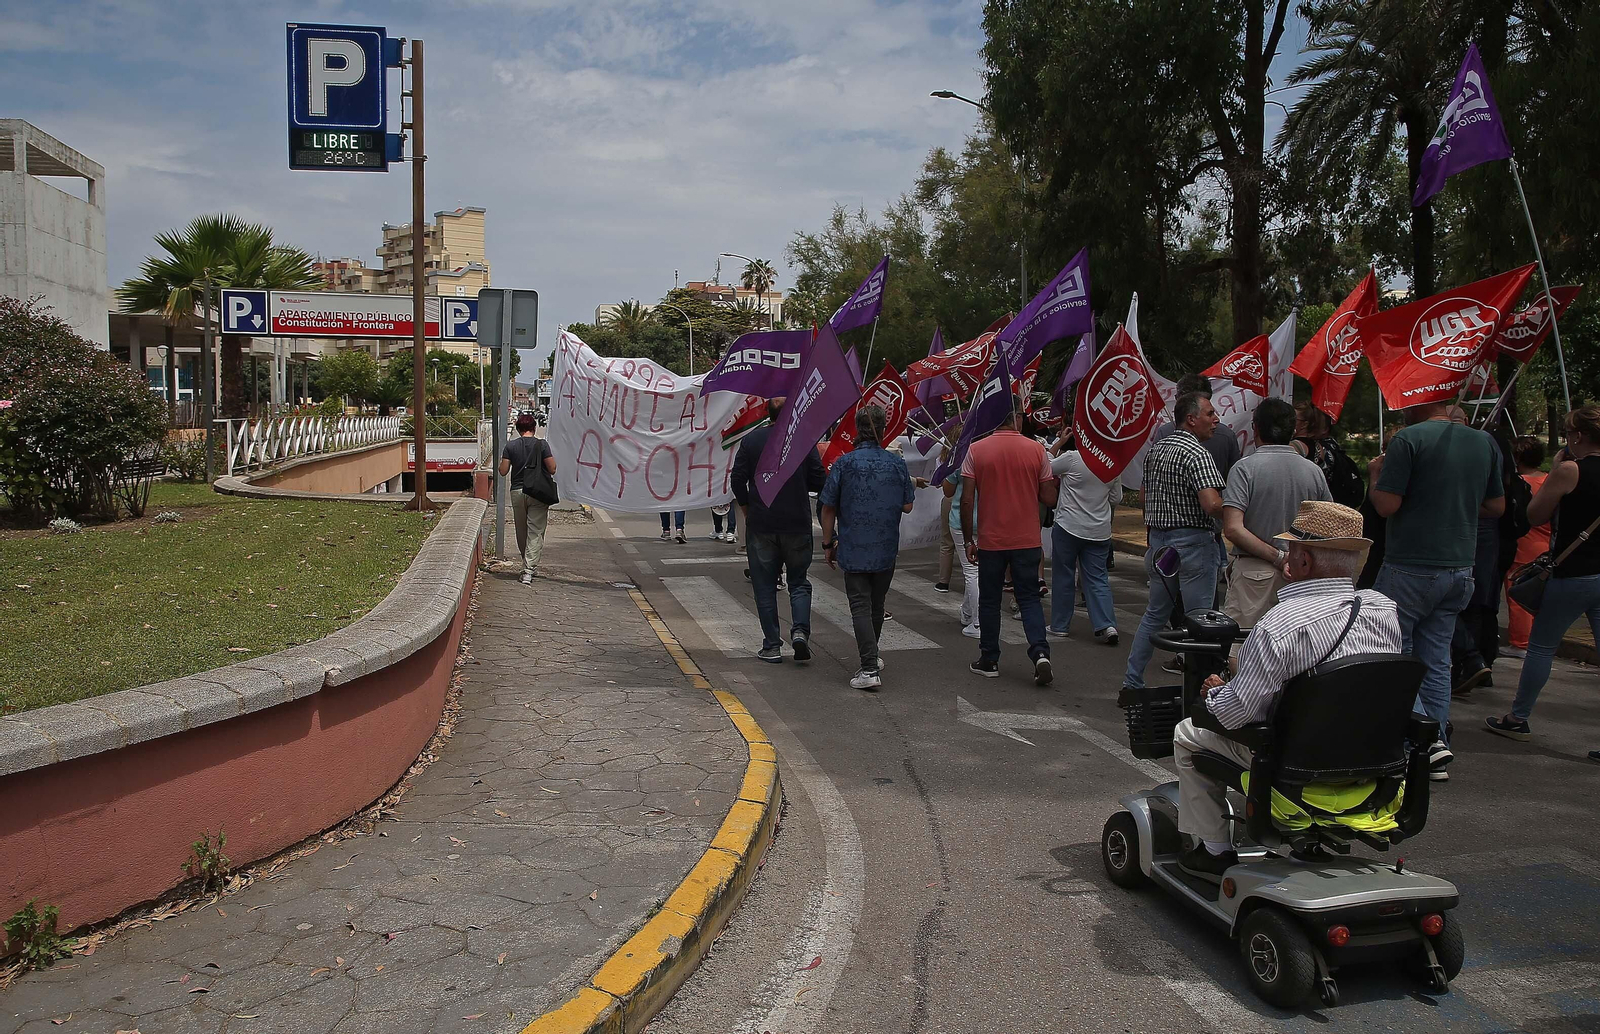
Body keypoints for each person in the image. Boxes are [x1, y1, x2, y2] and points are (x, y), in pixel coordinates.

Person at [1172, 501, 1402, 880]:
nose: (1286, 556)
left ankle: (1213, 850)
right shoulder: (1384, 610)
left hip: (1293, 760)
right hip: (1367, 758)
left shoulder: (1280, 624)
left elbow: (1237, 713)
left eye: (1291, 549)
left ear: (1305, 561)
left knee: (1188, 732)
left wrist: (1214, 693)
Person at [1369, 400, 1505, 781]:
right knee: (1437, 658)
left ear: (1422, 402)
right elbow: (1496, 505)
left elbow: (1385, 505)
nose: (1400, 408)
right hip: (1460, 566)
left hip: (1410, 564)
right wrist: (1453, 504)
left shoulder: (1408, 440)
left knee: (1390, 652)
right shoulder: (1482, 442)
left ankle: (1422, 739)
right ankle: (1433, 740)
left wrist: (1375, 474)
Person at [1487, 406, 1600, 742]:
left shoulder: (1569, 471)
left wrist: (1554, 472)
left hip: (1572, 572)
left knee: (1541, 647)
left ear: (1578, 436)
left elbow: (1535, 515)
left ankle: (1518, 716)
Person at [1124, 392, 1227, 691]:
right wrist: (1235, 505)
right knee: (1199, 622)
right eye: (1210, 413)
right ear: (1191, 419)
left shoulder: (1158, 450)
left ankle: (1131, 682)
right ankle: (1197, 691)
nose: (1216, 419)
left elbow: (1145, 497)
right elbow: (1210, 504)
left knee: (1155, 614)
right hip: (1193, 544)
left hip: (1161, 546)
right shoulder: (1197, 454)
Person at [820, 405, 916, 690]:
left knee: (860, 605)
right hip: (886, 546)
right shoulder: (897, 464)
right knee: (876, 604)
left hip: (854, 544)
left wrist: (828, 542)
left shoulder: (844, 464)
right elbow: (908, 505)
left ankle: (869, 667)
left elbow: (828, 506)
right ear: (883, 429)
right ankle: (871, 655)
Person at [961, 409, 1059, 684]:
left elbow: (967, 500)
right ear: (1017, 418)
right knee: (1028, 598)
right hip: (1027, 539)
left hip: (992, 540)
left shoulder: (976, 450)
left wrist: (970, 539)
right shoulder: (1037, 450)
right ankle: (1040, 652)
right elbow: (1049, 498)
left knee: (990, 600)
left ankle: (989, 659)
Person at [1220, 398, 1332, 628]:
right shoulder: (1313, 471)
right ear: (1292, 430)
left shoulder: (1245, 468)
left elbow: (1232, 527)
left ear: (1256, 428)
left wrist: (1279, 558)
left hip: (1255, 573)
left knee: (1242, 649)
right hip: (1300, 574)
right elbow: (1327, 525)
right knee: (1291, 649)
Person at [731, 396, 825, 663]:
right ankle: (800, 632)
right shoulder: (804, 441)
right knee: (798, 582)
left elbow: (737, 479)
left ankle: (772, 645)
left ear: (766, 413)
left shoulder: (751, 441)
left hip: (762, 524)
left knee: (764, 586)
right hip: (796, 523)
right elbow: (819, 479)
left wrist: (747, 507)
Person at [1048, 431, 1120, 645]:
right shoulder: (1112, 464)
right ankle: (1107, 624)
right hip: (1099, 531)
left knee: (1064, 577)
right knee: (1098, 579)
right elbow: (1116, 498)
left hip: (1068, 526)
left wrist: (1059, 441)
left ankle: (1060, 625)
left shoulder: (1072, 458)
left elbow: (1046, 466)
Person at [1503, 436, 1551, 655]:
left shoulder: (1518, 484)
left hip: (1524, 544)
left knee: (1518, 594)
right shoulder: (1550, 481)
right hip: (1547, 544)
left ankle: (1521, 642)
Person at [500, 412, 557, 585]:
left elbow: (503, 471)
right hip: (537, 492)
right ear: (534, 428)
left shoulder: (510, 446)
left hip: (517, 492)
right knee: (535, 531)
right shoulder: (542, 445)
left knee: (521, 530)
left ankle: (528, 564)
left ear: (518, 429)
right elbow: (552, 468)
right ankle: (528, 570)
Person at [1294, 402, 1366, 509]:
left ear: (1305, 424)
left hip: (1307, 510)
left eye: (1293, 419)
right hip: (1324, 509)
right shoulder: (1330, 447)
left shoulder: (1299, 446)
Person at [944, 463, 981, 638]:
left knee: (972, 571)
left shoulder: (963, 459)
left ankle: (977, 621)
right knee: (979, 570)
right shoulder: (996, 455)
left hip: (962, 521)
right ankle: (967, 612)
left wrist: (948, 467)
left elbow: (948, 490)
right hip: (990, 520)